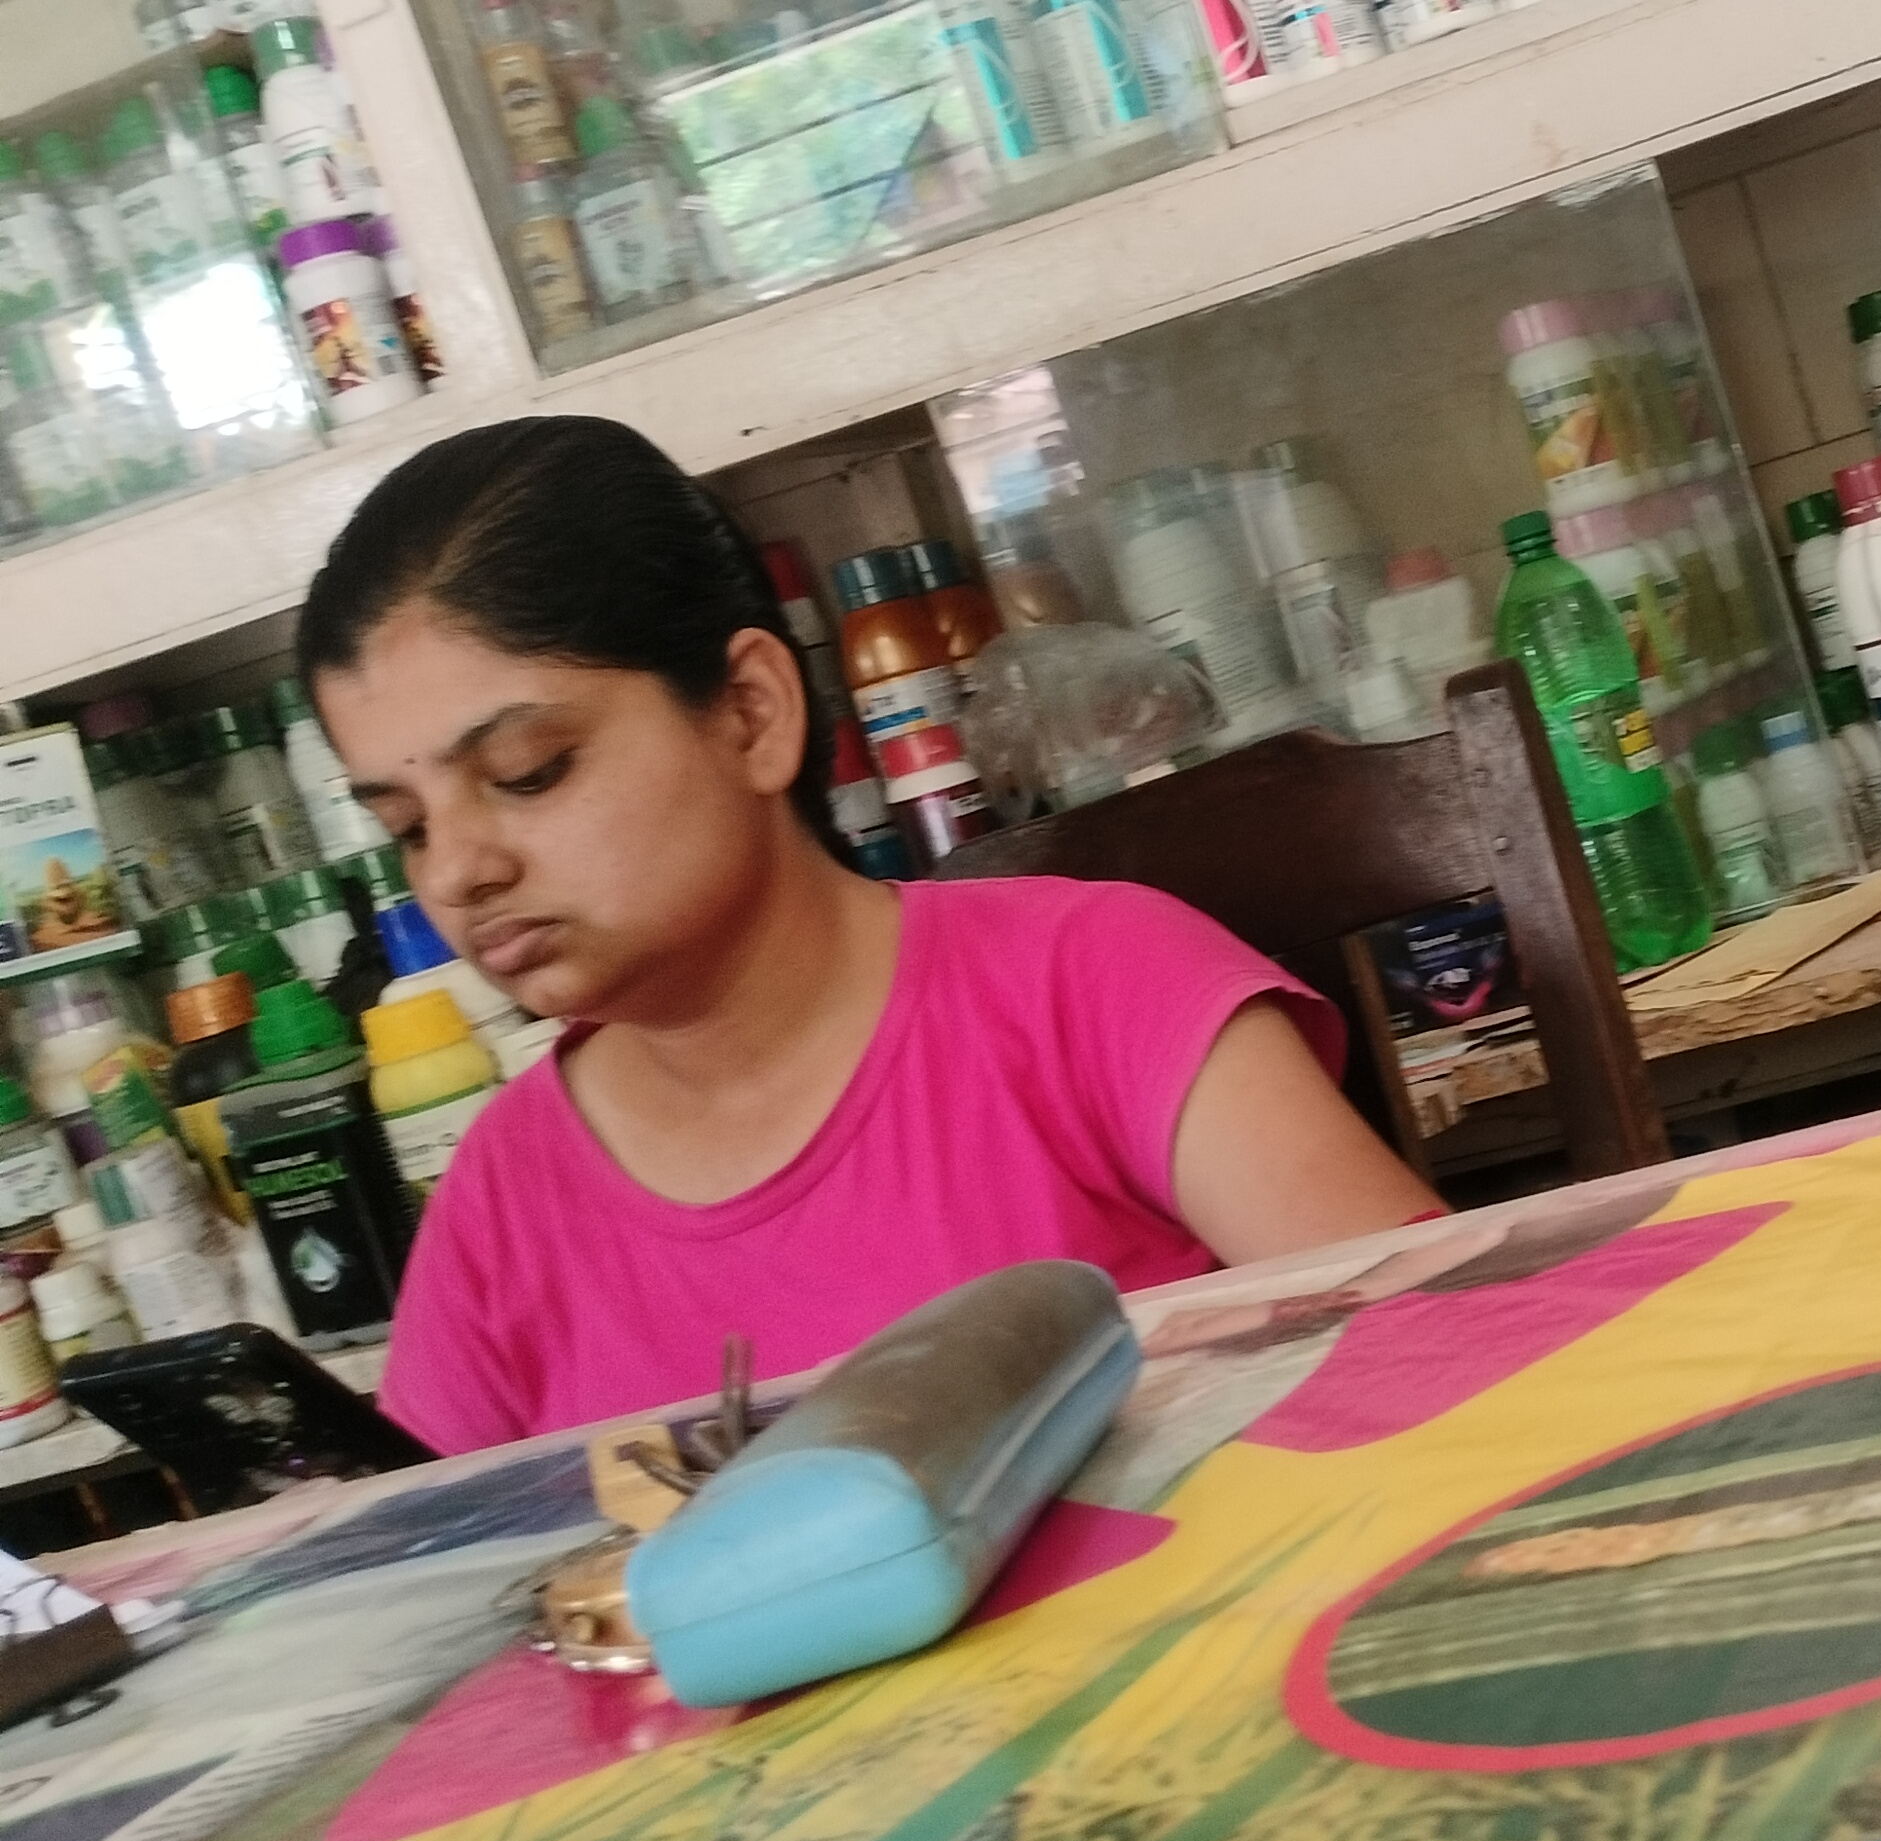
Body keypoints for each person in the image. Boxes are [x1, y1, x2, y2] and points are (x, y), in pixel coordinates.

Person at [299, 417, 1443, 1456]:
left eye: (527, 771)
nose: (456, 871)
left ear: (751, 712)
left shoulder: (1092, 985)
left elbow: (1451, 1374)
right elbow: (429, 1593)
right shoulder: (501, 1199)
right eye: (406, 828)